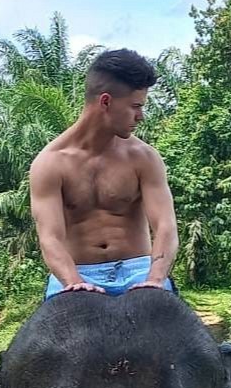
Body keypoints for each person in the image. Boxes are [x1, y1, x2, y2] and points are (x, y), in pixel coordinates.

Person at [29, 48, 179, 298]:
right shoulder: (50, 163)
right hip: (78, 271)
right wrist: (74, 282)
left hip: (139, 270)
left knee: (183, 333)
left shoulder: (144, 158)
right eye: (135, 106)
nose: (140, 116)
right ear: (106, 101)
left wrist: (155, 279)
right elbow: (50, 238)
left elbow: (165, 226)